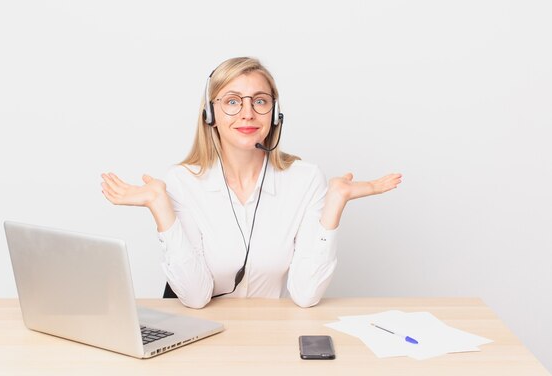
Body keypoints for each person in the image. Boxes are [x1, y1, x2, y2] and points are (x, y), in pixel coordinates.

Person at [101, 57, 401, 309]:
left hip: (270, 334)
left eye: (260, 101)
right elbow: (195, 297)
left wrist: (334, 204)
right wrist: (159, 206)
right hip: (202, 333)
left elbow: (306, 294)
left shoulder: (305, 179)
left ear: (274, 114)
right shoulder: (183, 181)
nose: (248, 113)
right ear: (210, 115)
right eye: (232, 101)